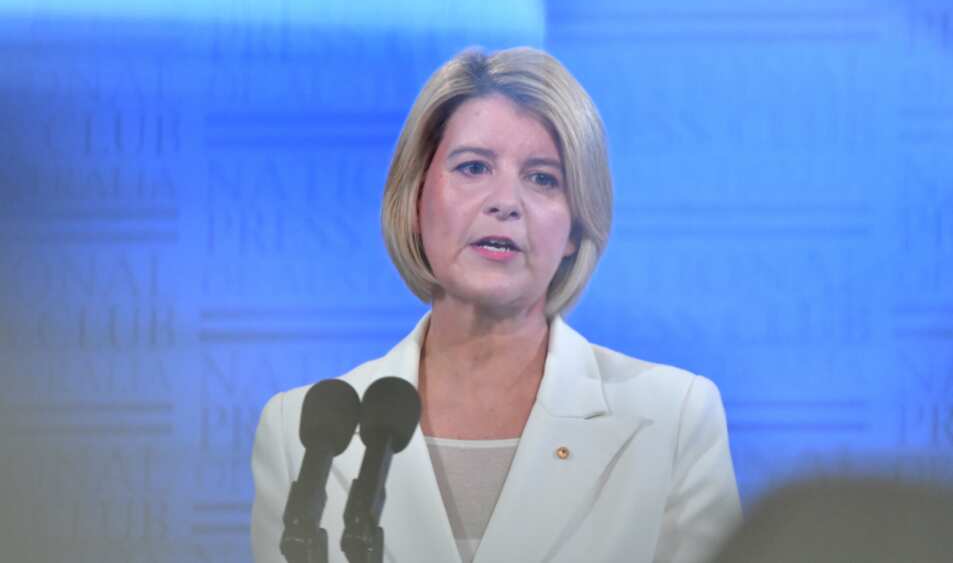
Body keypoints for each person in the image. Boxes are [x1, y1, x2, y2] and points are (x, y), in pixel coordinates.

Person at [251, 47, 742, 563]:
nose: (505, 201)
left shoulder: (673, 418)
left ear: (575, 227)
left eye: (543, 178)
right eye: (474, 167)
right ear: (417, 197)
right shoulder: (304, 432)